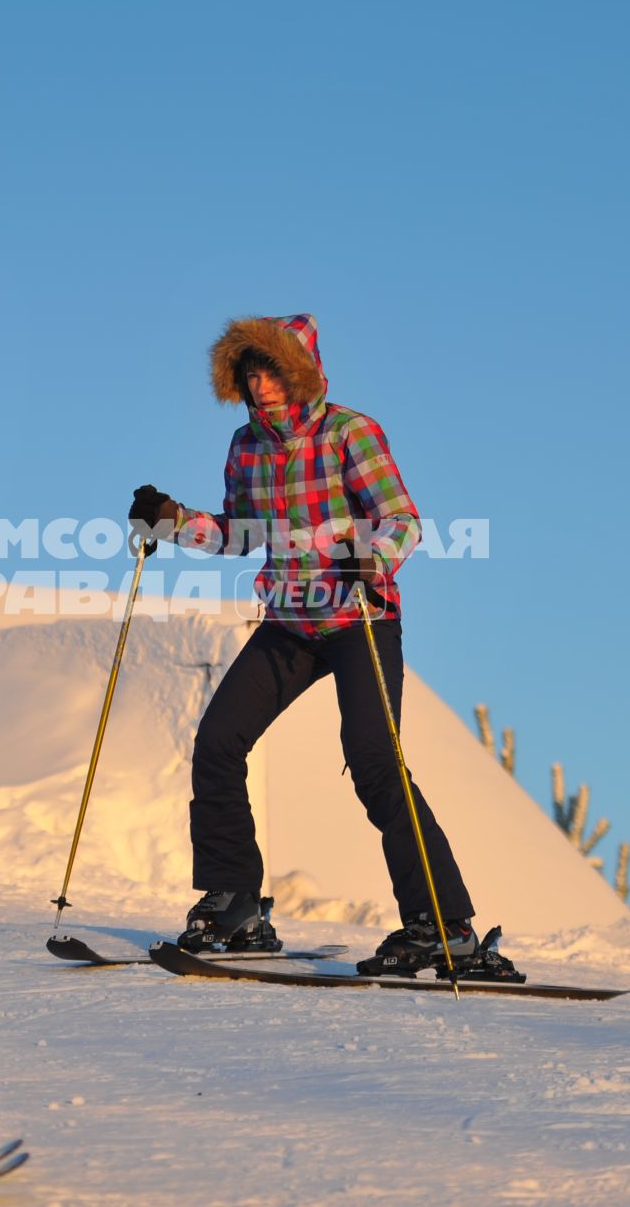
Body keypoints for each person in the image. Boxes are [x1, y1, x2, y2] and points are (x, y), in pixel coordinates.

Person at [128, 314, 483, 977]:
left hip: (357, 617)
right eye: (249, 373)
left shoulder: (350, 432)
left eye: (271, 370)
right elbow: (239, 533)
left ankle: (443, 923)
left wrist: (367, 558)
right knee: (218, 741)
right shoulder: (246, 446)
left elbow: (401, 521)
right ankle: (235, 904)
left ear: (299, 372)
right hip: (290, 621)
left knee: (374, 761)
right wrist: (172, 521)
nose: (260, 384)